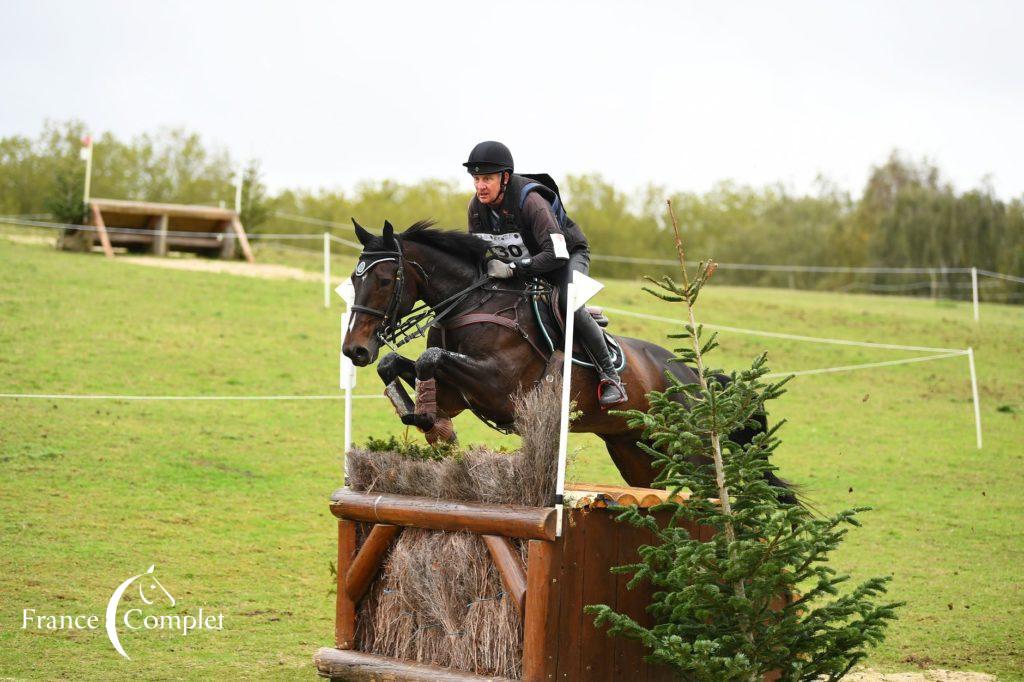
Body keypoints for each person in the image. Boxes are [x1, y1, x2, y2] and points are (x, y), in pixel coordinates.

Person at [463, 140, 627, 408]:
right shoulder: (476, 208)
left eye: (487, 179)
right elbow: (478, 253)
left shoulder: (531, 202)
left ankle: (610, 378)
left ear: (504, 178)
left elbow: (556, 255)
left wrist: (515, 268)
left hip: (566, 257)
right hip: (531, 262)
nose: (480, 186)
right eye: (476, 178)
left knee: (568, 304)